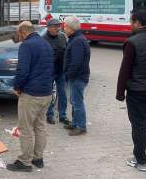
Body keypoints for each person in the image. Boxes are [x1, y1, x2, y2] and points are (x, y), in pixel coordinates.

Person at [116, 8, 146, 172]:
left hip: (138, 92)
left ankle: (141, 160)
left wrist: (120, 94)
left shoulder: (132, 42)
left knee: (139, 125)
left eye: (130, 21)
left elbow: (124, 71)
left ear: (137, 23)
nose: (129, 25)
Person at [6, 21, 54, 172]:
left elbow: (22, 70)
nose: (18, 38)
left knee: (25, 129)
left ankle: (24, 162)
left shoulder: (26, 45)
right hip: (46, 93)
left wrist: (16, 87)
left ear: (23, 33)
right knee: (40, 127)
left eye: (18, 34)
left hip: (31, 94)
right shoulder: (45, 44)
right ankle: (38, 158)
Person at [62, 16, 91, 136]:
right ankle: (74, 123)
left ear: (71, 28)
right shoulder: (75, 38)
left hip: (78, 77)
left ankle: (81, 126)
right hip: (77, 76)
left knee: (77, 102)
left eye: (65, 26)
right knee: (74, 101)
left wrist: (68, 75)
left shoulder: (78, 40)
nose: (63, 28)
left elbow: (76, 62)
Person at [43, 18, 70, 125]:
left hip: (61, 71)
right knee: (50, 94)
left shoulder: (62, 36)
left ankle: (63, 115)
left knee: (63, 93)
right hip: (48, 71)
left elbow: (67, 52)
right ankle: (49, 114)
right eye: (55, 26)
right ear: (48, 28)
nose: (57, 28)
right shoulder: (43, 39)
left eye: (58, 26)